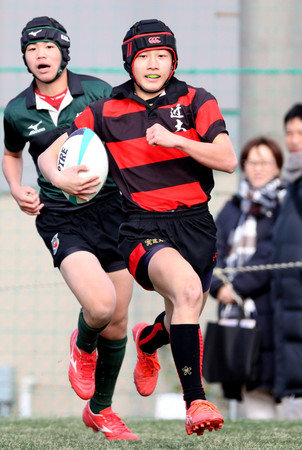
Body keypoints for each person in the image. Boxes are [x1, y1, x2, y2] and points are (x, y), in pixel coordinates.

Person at [38, 19, 237, 436]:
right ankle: (195, 401)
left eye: (162, 55)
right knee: (185, 292)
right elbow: (50, 151)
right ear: (130, 62)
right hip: (142, 228)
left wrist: (178, 141)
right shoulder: (107, 110)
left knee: (187, 308)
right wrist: (59, 179)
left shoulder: (198, 100)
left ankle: (149, 341)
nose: (153, 64)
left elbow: (226, 158)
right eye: (143, 56)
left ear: (173, 60)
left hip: (197, 224)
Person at [2, 16, 138, 441]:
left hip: (112, 212)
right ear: (25, 57)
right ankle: (82, 347)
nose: (39, 55)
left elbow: (124, 139)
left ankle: (100, 409)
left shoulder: (97, 92)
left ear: (63, 51)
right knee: (99, 308)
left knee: (117, 322)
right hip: (62, 216)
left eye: (47, 46)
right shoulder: (17, 109)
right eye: (31, 49)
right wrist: (16, 187)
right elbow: (12, 152)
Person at [210, 136, 285, 419]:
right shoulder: (232, 208)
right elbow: (211, 249)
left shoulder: (283, 206)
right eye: (252, 162)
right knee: (244, 390)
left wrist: (237, 287)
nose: (258, 168)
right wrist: (219, 288)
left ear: (277, 167)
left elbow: (271, 254)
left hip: (268, 306)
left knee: (266, 386)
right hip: (232, 311)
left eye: (265, 162)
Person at [271, 104, 302, 419]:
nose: (294, 140)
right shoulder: (290, 184)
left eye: (300, 133)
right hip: (288, 296)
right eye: (290, 133)